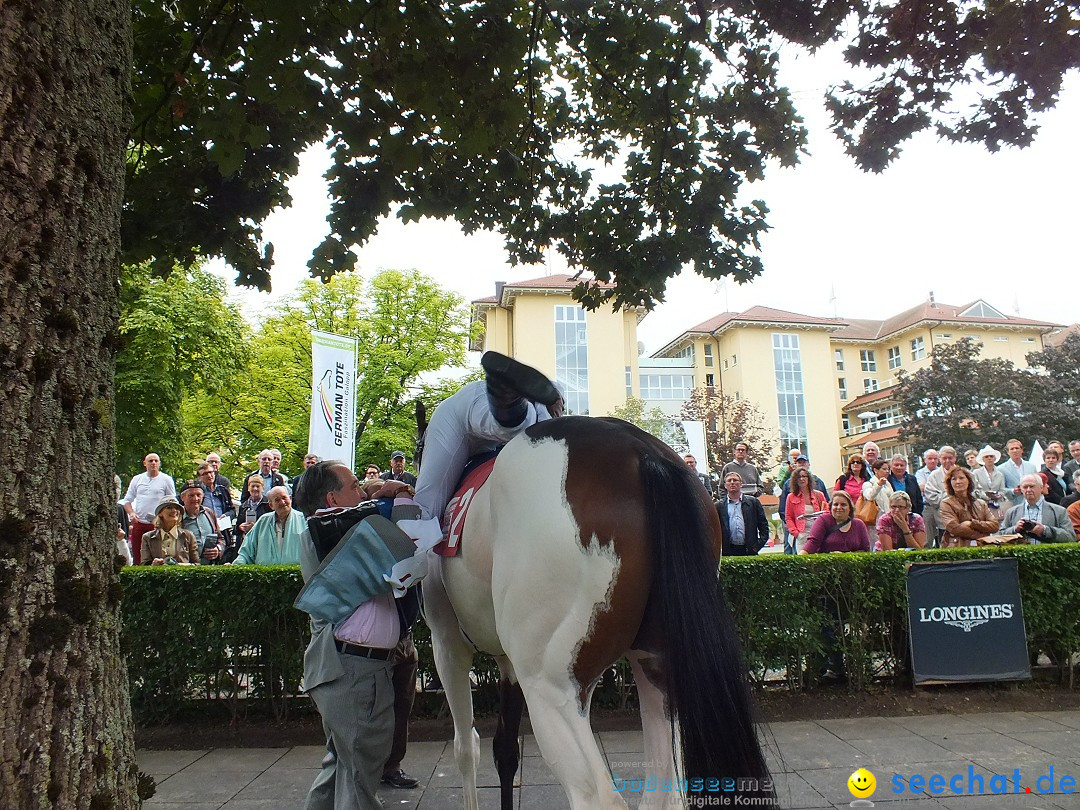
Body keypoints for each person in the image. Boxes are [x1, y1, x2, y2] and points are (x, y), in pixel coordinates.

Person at [293, 460, 399, 809]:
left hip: (349, 668)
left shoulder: (325, 531)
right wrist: (393, 494)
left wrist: (375, 491)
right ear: (332, 499)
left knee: (340, 769)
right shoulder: (331, 531)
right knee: (358, 777)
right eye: (354, 486)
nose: (362, 491)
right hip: (354, 671)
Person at [412, 351, 562, 524]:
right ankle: (509, 395)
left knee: (425, 508)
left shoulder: (436, 430)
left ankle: (507, 393)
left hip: (464, 411)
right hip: (498, 406)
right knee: (517, 426)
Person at [120, 452, 177, 562]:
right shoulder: (137, 479)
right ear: (145, 463)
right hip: (139, 523)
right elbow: (127, 501)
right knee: (138, 555)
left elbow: (172, 502)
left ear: (159, 463)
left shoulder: (166, 479)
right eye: (150, 461)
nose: (153, 463)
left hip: (159, 524)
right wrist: (132, 513)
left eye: (156, 461)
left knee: (158, 555)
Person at [232, 486, 305, 565]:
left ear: (290, 499)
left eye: (284, 498)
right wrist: (236, 566)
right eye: (277, 500)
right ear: (271, 505)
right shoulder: (263, 521)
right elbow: (245, 553)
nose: (282, 502)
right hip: (264, 576)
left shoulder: (303, 520)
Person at [1003, 473, 1078, 544]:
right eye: (1025, 487)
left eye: (1032, 486)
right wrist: (1015, 529)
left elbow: (1070, 537)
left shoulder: (1059, 511)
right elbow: (999, 535)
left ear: (1041, 488)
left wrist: (1045, 530)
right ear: (1021, 489)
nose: (1028, 490)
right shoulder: (1012, 512)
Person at [939, 467, 1000, 548]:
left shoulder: (981, 503)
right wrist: (983, 535)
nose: (958, 482)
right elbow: (955, 528)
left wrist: (973, 523)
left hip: (982, 548)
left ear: (969, 481)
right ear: (949, 483)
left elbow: (995, 525)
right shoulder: (946, 503)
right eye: (954, 479)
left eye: (961, 478)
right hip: (958, 547)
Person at [716, 471, 769, 556]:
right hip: (728, 551)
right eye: (729, 481)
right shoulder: (719, 506)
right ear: (725, 486)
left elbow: (763, 525)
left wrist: (757, 546)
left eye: (735, 480)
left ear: (741, 484)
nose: (732, 482)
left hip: (749, 550)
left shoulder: (753, 502)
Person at [800, 491, 870, 554]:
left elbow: (865, 550)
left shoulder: (859, 524)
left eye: (843, 504)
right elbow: (812, 543)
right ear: (831, 507)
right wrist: (800, 558)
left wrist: (845, 556)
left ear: (850, 508)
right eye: (836, 504)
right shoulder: (823, 520)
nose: (839, 507)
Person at [140, 499, 200, 565]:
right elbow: (144, 565)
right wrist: (153, 565)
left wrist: (182, 566)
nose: (174, 511)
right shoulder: (147, 537)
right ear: (160, 513)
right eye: (169, 508)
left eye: (177, 508)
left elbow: (197, 564)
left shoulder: (188, 536)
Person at [179, 479, 224, 564]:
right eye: (191, 495)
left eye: (198, 495)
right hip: (187, 567)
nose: (195, 498)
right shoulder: (178, 518)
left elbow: (220, 538)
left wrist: (218, 549)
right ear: (182, 497)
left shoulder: (209, 513)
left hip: (210, 567)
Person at [922, 445, 959, 547]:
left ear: (955, 458)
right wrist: (950, 495)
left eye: (950, 458)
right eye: (944, 458)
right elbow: (931, 497)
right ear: (940, 459)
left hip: (962, 519)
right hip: (942, 519)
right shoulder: (934, 476)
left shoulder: (963, 473)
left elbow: (972, 492)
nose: (947, 461)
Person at [785, 468, 828, 553]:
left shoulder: (819, 495)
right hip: (801, 536)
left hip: (818, 533)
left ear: (809, 478)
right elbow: (788, 517)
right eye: (799, 477)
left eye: (804, 476)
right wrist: (796, 533)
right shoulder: (791, 497)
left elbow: (826, 512)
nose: (802, 479)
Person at [861, 459, 894, 549]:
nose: (887, 471)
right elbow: (869, 496)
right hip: (874, 520)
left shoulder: (887, 484)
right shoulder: (868, 484)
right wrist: (878, 485)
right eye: (884, 469)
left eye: (888, 469)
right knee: (876, 545)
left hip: (888, 519)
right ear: (876, 470)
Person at [1000, 438, 1037, 508]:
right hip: (1014, 504)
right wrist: (1013, 491)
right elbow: (1001, 489)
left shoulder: (1032, 467)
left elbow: (1037, 484)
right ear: (1008, 452)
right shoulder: (1001, 469)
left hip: (1032, 503)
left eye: (1017, 448)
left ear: (1022, 450)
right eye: (1012, 449)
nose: (1015, 451)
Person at [972, 445, 1006, 519]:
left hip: (996, 506)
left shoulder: (1000, 474)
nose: (989, 458)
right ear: (983, 459)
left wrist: (999, 495)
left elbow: (1003, 490)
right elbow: (974, 489)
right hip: (981, 505)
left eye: (991, 456)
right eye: (986, 457)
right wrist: (986, 496)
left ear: (994, 458)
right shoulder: (976, 473)